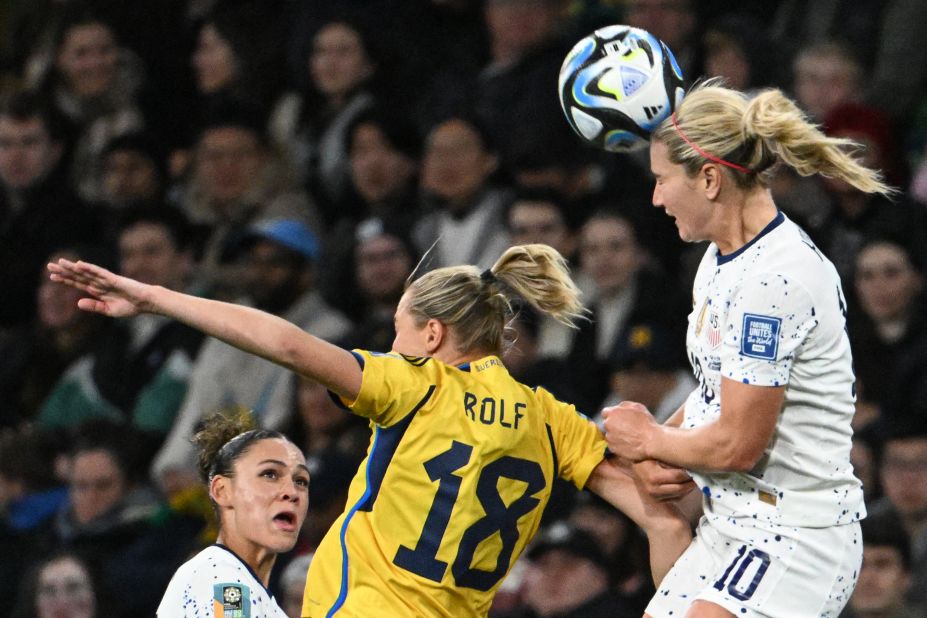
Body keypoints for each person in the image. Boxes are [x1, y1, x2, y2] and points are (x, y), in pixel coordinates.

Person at [49, 243, 692, 617]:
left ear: (434, 336)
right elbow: (663, 521)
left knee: (203, 584)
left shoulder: (420, 384)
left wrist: (158, 298)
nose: (393, 347)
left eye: (399, 332)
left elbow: (289, 344)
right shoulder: (553, 420)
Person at [601, 80, 893, 617]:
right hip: (728, 523)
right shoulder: (720, 260)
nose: (656, 198)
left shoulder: (775, 281)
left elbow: (738, 445)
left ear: (709, 178)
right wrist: (669, 439)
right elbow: (718, 389)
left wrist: (651, 439)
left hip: (798, 535)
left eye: (663, 179)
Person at [157, 409, 310, 616]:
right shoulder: (224, 579)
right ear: (222, 491)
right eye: (270, 474)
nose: (291, 492)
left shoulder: (247, 587)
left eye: (300, 480)